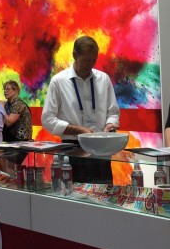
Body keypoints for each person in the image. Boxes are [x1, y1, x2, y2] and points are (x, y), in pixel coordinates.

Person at [41, 36, 120, 182]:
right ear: (74, 55)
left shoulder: (103, 79)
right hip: (72, 150)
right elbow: (47, 119)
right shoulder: (58, 82)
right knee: (75, 193)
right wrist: (79, 130)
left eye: (94, 60)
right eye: (86, 60)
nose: (90, 64)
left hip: (101, 147)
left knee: (104, 191)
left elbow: (113, 112)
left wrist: (110, 124)